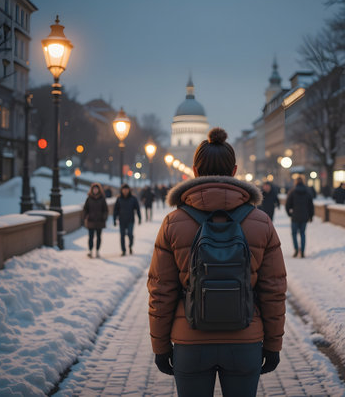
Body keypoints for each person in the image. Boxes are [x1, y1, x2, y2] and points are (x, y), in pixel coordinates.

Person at [147, 128, 287, 397]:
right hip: (246, 341)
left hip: (190, 341)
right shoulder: (260, 222)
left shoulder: (173, 223)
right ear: (234, 170)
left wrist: (160, 346)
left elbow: (161, 290)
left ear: (194, 169)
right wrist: (273, 343)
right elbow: (274, 289)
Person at [285, 177, 314, 258]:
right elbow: (311, 206)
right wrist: (311, 216)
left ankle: (296, 249)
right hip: (304, 216)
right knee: (302, 234)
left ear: (295, 182)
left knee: (294, 234)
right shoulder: (307, 192)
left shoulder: (292, 192)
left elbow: (287, 205)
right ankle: (303, 251)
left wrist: (289, 214)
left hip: (295, 216)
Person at [114, 184, 142, 256]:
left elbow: (137, 209)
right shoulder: (119, 198)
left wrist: (139, 218)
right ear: (122, 190)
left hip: (130, 220)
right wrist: (114, 219)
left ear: (129, 190)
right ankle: (123, 250)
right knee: (122, 235)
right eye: (124, 189)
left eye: (126, 189)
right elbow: (115, 209)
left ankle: (130, 246)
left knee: (130, 234)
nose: (125, 191)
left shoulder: (133, 198)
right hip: (122, 220)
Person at [83, 183, 108, 258]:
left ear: (99, 190)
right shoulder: (89, 198)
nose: (95, 190)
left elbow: (105, 210)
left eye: (96, 189)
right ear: (92, 190)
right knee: (90, 237)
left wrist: (104, 217)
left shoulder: (102, 199)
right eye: (94, 189)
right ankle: (90, 251)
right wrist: (86, 216)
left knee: (98, 237)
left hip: (100, 221)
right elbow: (85, 209)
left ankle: (97, 251)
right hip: (91, 220)